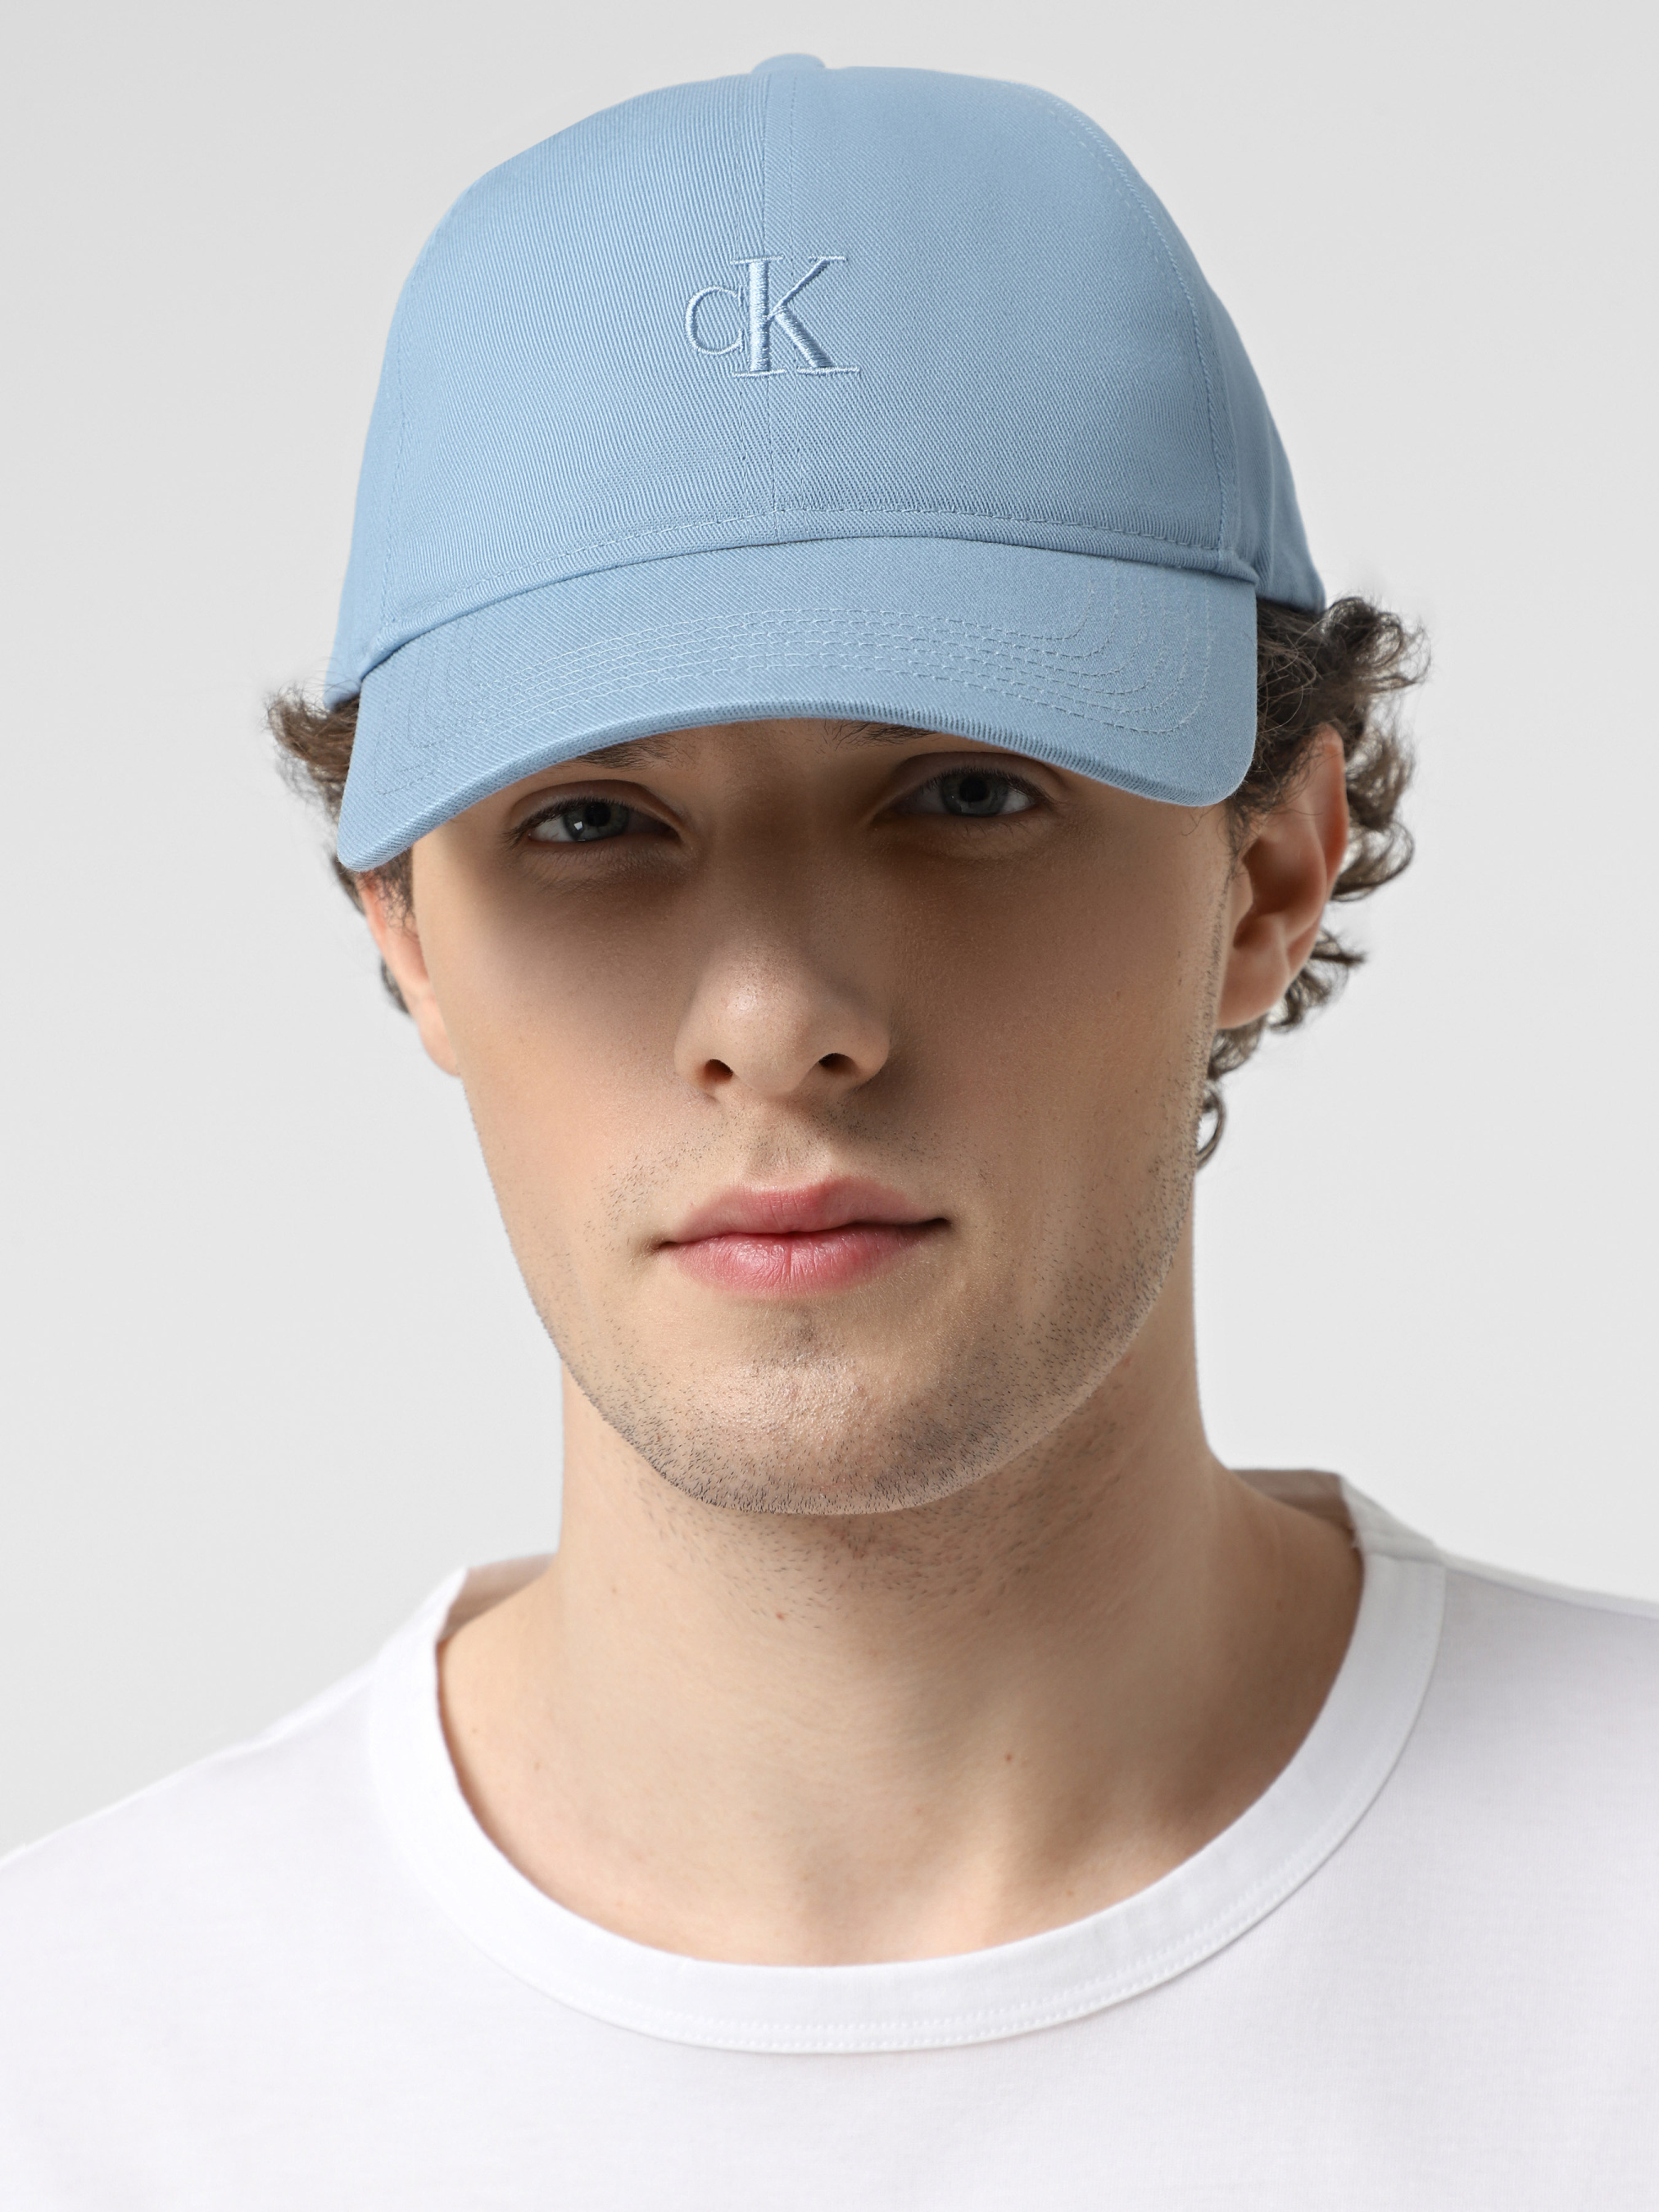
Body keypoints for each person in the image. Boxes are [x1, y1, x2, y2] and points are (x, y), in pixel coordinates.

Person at [2, 55, 1654, 2209]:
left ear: (1267, 872)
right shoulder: (77, 2075)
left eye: (968, 790)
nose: (777, 1020)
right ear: (404, 933)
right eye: (592, 822)